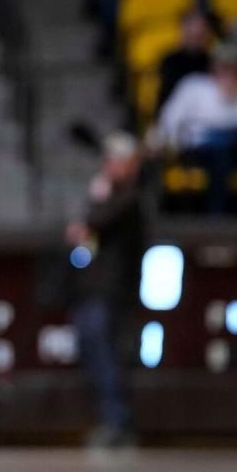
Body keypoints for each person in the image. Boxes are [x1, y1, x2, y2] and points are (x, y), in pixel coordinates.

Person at [64, 132, 144, 449]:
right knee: (93, 354)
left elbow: (93, 223)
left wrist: (97, 200)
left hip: (111, 292)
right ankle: (110, 419)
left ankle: (118, 422)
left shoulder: (129, 197)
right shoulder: (111, 193)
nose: (111, 165)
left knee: (108, 355)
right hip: (92, 289)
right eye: (109, 159)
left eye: (118, 160)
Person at [157, 43, 237, 213]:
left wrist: (233, 98)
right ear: (214, 67)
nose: (228, 73)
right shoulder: (192, 87)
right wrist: (173, 145)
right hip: (197, 149)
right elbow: (169, 120)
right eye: (224, 67)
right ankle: (217, 216)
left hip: (236, 151)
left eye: (233, 68)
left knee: (227, 152)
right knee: (219, 156)